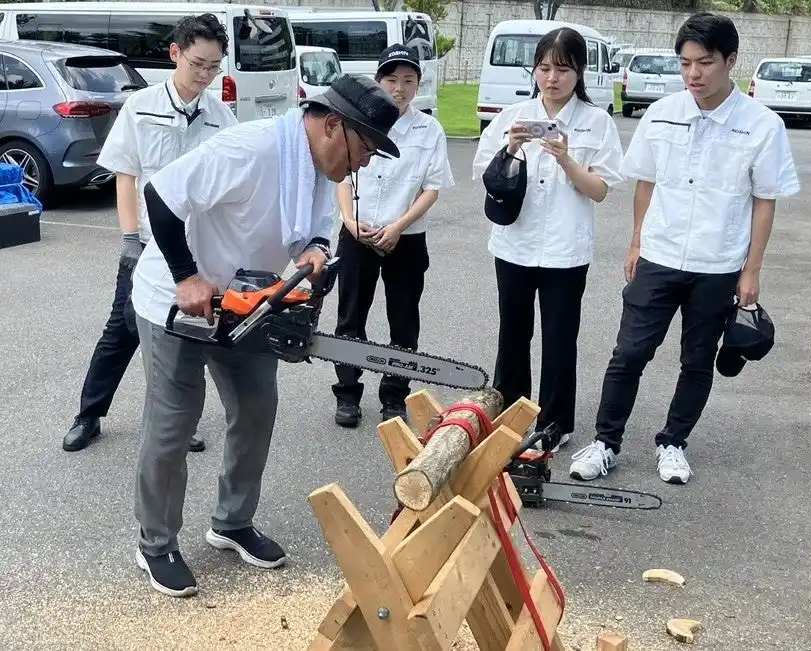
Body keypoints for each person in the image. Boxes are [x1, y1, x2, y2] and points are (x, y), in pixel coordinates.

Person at [130, 74, 401, 598]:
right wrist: (186, 276)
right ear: (333, 125)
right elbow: (160, 195)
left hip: (247, 301)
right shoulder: (249, 149)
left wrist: (317, 250)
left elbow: (318, 228)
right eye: (366, 148)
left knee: (256, 409)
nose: (365, 162)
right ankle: (155, 543)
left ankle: (231, 522)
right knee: (174, 422)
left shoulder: (320, 167)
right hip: (178, 298)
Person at [569, 12, 800, 485]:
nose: (693, 74)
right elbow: (646, 183)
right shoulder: (661, 113)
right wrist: (636, 241)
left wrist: (751, 270)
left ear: (731, 61)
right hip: (659, 254)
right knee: (629, 353)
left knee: (697, 360)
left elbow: (764, 201)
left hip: (718, 263)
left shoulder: (762, 125)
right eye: (686, 63)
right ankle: (605, 442)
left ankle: (673, 443)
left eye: (705, 63)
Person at [61, 13, 237, 453]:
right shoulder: (140, 107)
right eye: (197, 64)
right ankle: (89, 414)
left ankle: (179, 421)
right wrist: (128, 240)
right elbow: (126, 175)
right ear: (175, 53)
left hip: (195, 251)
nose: (205, 75)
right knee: (122, 331)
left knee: (185, 335)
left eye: (214, 67)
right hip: (147, 245)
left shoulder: (221, 117)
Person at [471, 27, 624, 453]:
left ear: (579, 72)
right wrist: (511, 148)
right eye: (543, 68)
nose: (552, 78)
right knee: (513, 334)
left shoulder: (596, 123)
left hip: (565, 251)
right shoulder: (513, 116)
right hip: (514, 245)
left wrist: (567, 160)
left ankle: (555, 423)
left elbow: (601, 190)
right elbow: (485, 175)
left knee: (559, 339)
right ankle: (509, 415)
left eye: (563, 69)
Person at [332, 44, 454, 428]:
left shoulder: (429, 129)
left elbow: (432, 188)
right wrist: (349, 221)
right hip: (358, 233)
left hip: (407, 237)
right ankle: (347, 394)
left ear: (418, 84)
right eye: (391, 80)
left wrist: (398, 226)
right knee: (350, 318)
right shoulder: (357, 120)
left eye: (408, 80)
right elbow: (341, 174)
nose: (399, 88)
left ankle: (395, 396)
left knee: (403, 321)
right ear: (378, 81)